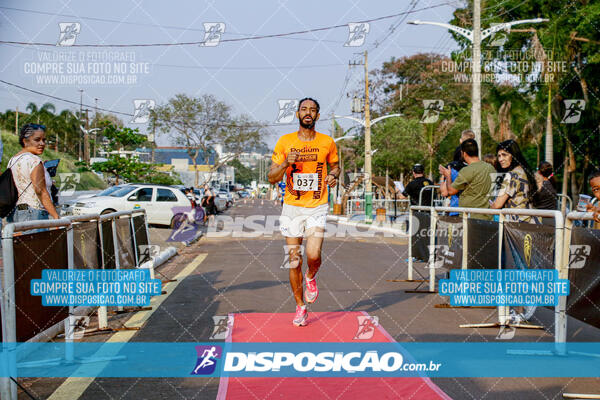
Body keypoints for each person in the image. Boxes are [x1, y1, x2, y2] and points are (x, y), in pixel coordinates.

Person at [268, 97, 339, 327]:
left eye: (313, 110)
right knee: (294, 259)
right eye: (304, 109)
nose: (308, 113)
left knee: (313, 255)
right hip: (292, 207)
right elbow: (272, 177)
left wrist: (333, 175)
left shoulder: (327, 142)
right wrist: (286, 164)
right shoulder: (284, 142)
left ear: (318, 116)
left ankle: (311, 277)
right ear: (298, 113)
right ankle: (300, 307)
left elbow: (335, 165)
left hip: (317, 205)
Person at [6, 123, 59, 224]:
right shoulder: (34, 160)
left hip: (15, 213)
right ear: (25, 141)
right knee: (37, 240)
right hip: (34, 211)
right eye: (37, 140)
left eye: (44, 140)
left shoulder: (13, 160)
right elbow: (40, 191)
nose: (42, 143)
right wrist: (56, 216)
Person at [439, 139, 495, 220]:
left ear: (463, 153)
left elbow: (451, 191)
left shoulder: (467, 170)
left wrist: (447, 175)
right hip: (488, 216)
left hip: (470, 217)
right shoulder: (491, 168)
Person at [490, 140, 539, 223]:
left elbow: (497, 205)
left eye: (504, 155)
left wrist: (491, 206)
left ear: (513, 155)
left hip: (518, 224)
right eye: (499, 156)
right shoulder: (524, 171)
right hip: (532, 221)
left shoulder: (511, 175)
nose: (500, 159)